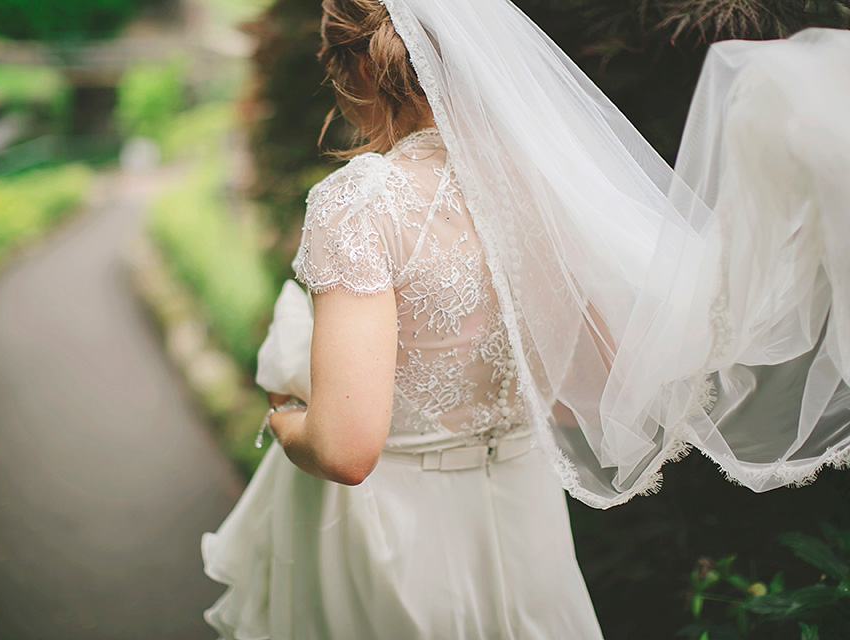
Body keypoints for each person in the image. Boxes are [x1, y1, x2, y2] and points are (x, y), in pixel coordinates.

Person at [202, 0, 850, 637]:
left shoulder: (360, 203)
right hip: (526, 527)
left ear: (357, 72)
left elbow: (346, 450)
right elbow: (581, 398)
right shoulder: (539, 186)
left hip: (398, 539)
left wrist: (285, 418)